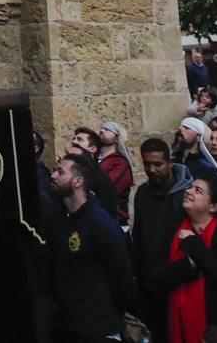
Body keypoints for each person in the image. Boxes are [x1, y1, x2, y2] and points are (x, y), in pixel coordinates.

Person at [150, 174, 217, 343]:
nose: (188, 192)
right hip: (175, 326)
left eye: (198, 190)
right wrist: (189, 265)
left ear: (214, 206)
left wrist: (195, 248)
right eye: (190, 187)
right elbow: (156, 276)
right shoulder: (174, 230)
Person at [45, 151, 138, 342]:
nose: (53, 176)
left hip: (97, 327)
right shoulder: (59, 219)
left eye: (60, 172)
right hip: (67, 326)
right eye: (54, 171)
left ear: (78, 181)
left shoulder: (99, 223)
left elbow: (121, 276)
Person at [130, 138, 191, 343]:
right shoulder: (142, 194)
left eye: (158, 164)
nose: (152, 169)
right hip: (149, 284)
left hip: (177, 283)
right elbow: (138, 234)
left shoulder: (184, 196)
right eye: (147, 164)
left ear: (169, 163)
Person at [68, 127, 119, 219]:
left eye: (80, 140)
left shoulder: (98, 175)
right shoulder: (77, 170)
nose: (74, 142)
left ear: (92, 149)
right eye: (74, 139)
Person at [96, 120, 134, 223]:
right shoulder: (94, 160)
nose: (102, 131)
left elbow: (107, 188)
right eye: (102, 128)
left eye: (108, 129)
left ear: (117, 138)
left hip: (114, 220)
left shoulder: (120, 163)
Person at [175, 117, 217, 185]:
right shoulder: (175, 159)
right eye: (181, 126)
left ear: (198, 137)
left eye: (186, 127)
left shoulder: (206, 169)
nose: (180, 129)